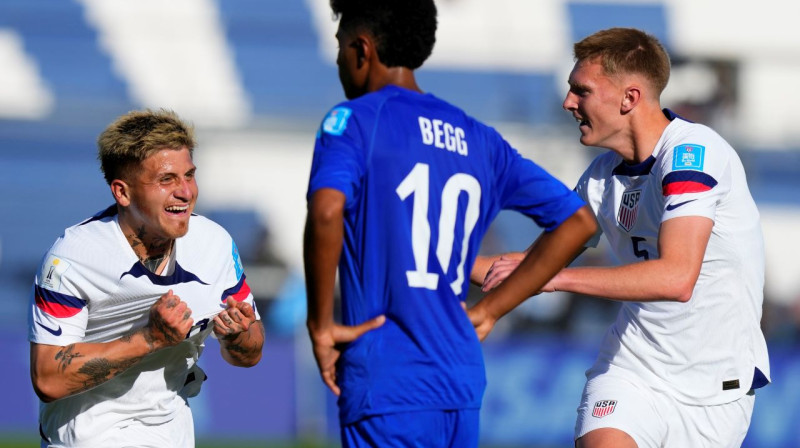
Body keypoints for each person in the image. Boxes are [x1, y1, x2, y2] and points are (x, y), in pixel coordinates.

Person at [303, 0, 597, 446]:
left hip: (388, 378)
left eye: (343, 46)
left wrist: (320, 325)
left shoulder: (356, 121)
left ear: (362, 49)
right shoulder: (479, 139)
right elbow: (577, 221)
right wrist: (490, 309)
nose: (341, 59)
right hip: (458, 380)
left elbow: (326, 211)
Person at [475, 28, 771, 448]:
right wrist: (424, 261)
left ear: (629, 98)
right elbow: (525, 267)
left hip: (716, 392)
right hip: (631, 371)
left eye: (581, 91)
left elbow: (676, 279)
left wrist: (554, 278)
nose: (568, 103)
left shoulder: (694, 153)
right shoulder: (600, 178)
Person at [28, 109, 265, 447]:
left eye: (189, 175)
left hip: (173, 431)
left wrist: (237, 337)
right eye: (166, 180)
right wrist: (151, 339)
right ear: (122, 193)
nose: (185, 192)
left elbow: (250, 353)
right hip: (88, 436)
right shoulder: (73, 258)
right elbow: (47, 379)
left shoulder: (214, 244)